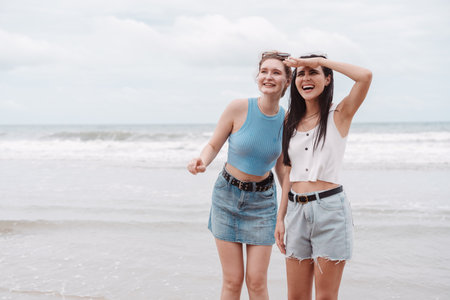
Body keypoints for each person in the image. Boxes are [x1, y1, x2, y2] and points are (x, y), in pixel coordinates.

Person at [187, 51, 292, 300]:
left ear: (287, 81)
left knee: (256, 283)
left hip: (263, 202)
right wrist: (201, 160)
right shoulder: (238, 107)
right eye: (264, 71)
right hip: (227, 196)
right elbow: (213, 145)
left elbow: (282, 168)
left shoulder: (287, 120)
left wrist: (284, 213)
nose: (268, 76)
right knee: (232, 281)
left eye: (276, 72)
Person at [274, 54, 372, 300]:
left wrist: (321, 58)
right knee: (296, 296)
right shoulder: (289, 121)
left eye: (314, 72)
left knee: (326, 296)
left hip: (330, 211)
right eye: (301, 73)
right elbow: (287, 172)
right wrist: (280, 218)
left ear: (327, 79)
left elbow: (364, 76)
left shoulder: (339, 113)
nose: (306, 78)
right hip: (296, 211)